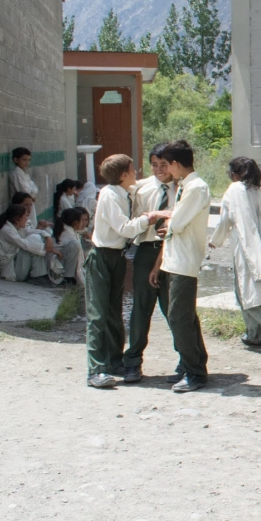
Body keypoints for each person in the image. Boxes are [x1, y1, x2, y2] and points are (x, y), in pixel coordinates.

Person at [85, 154, 165, 390]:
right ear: (122, 175)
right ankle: (95, 369)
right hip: (102, 258)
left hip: (117, 258)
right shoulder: (109, 195)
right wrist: (151, 217)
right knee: (98, 315)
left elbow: (147, 184)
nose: (136, 173)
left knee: (113, 313)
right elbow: (125, 229)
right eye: (132, 170)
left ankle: (113, 361)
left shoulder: (124, 192)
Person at [209, 157, 261, 348]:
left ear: (235, 173)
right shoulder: (260, 191)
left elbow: (227, 218)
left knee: (244, 292)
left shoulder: (235, 190)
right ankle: (254, 335)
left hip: (246, 246)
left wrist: (215, 240)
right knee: (255, 291)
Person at [152, 140, 212, 393]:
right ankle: (194, 364)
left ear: (176, 164)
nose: (167, 170)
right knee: (184, 316)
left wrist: (168, 223)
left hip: (184, 261)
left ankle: (194, 371)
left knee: (179, 317)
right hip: (174, 259)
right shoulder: (185, 186)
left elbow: (177, 222)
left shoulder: (196, 188)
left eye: (168, 165)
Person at [123, 144, 178, 384]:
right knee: (141, 308)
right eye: (154, 165)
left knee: (174, 309)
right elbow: (131, 221)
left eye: (164, 165)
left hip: (174, 251)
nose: (159, 170)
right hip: (147, 249)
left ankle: (186, 361)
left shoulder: (183, 186)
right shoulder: (141, 188)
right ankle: (133, 362)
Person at [0, 204, 55, 283]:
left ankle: (40, 275)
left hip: (17, 266)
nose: (27, 219)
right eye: (25, 216)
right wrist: (50, 249)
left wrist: (48, 237)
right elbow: (25, 244)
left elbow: (32, 231)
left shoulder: (17, 227)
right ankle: (38, 276)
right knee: (33, 242)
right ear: (17, 218)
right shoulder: (7, 231)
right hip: (11, 272)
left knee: (37, 239)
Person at [51, 207, 89, 285]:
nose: (83, 223)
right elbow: (78, 264)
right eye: (81, 220)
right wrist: (83, 283)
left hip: (60, 263)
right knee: (75, 245)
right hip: (57, 269)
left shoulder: (70, 231)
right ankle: (68, 279)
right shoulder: (68, 235)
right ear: (75, 223)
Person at [9, 147, 42, 223]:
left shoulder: (24, 173)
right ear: (16, 160)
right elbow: (25, 191)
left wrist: (33, 195)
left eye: (29, 160)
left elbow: (35, 189)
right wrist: (32, 195)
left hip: (28, 204)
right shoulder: (16, 173)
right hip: (21, 205)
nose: (27, 162)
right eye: (24, 160)